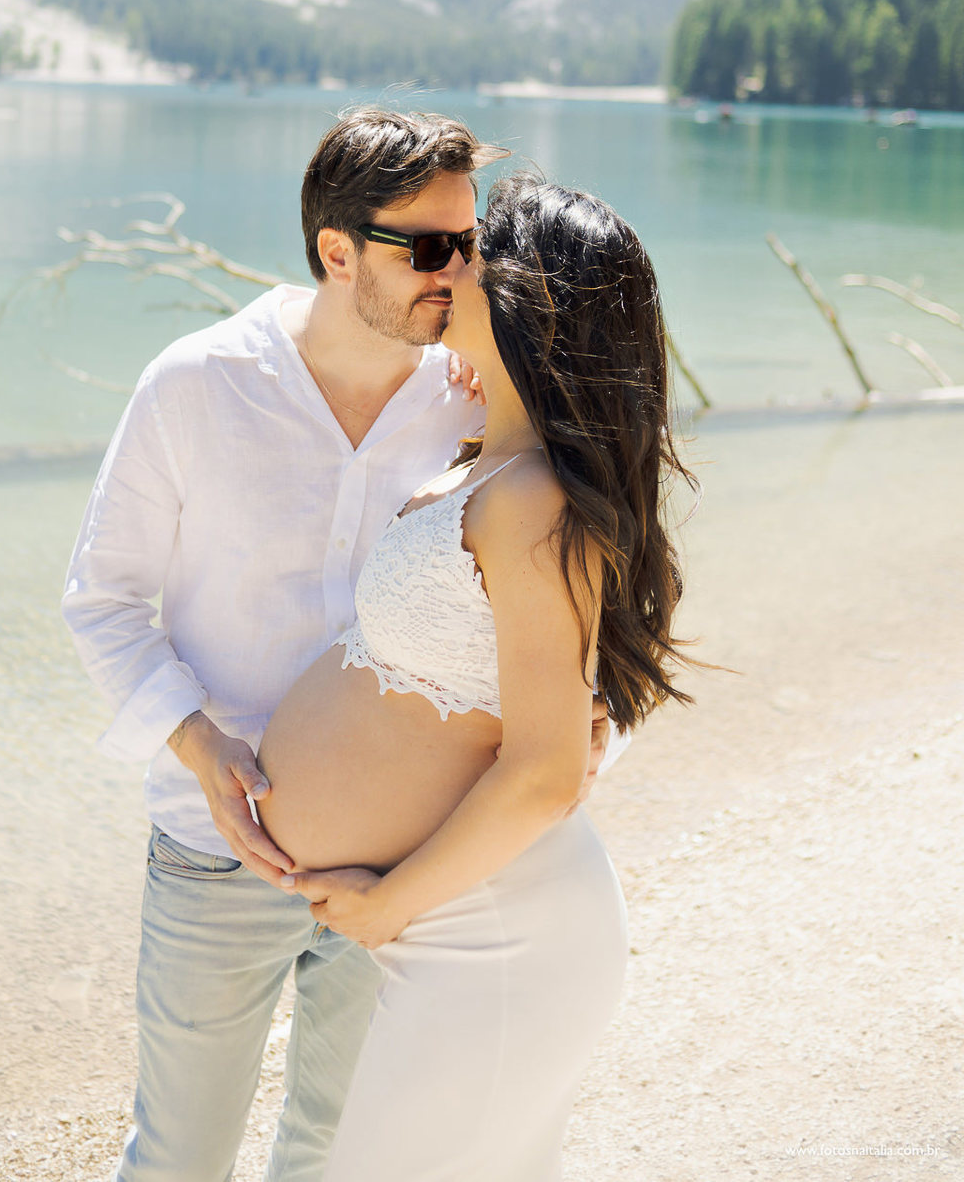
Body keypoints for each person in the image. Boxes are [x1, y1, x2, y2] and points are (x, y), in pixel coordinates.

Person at [62, 109, 618, 1182]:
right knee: (177, 1155)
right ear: (336, 252)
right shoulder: (194, 384)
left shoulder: (472, 398)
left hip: (403, 860)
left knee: (330, 1149)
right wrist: (198, 745)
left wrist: (593, 724)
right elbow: (103, 600)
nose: (460, 273)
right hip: (214, 848)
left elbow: (567, 579)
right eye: (432, 248)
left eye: (475, 245)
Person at [256, 176, 697, 1181]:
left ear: (533, 299)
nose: (441, 265)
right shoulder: (489, 464)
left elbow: (544, 769)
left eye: (469, 249)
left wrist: (387, 904)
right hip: (462, 922)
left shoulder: (533, 495)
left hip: (492, 932)